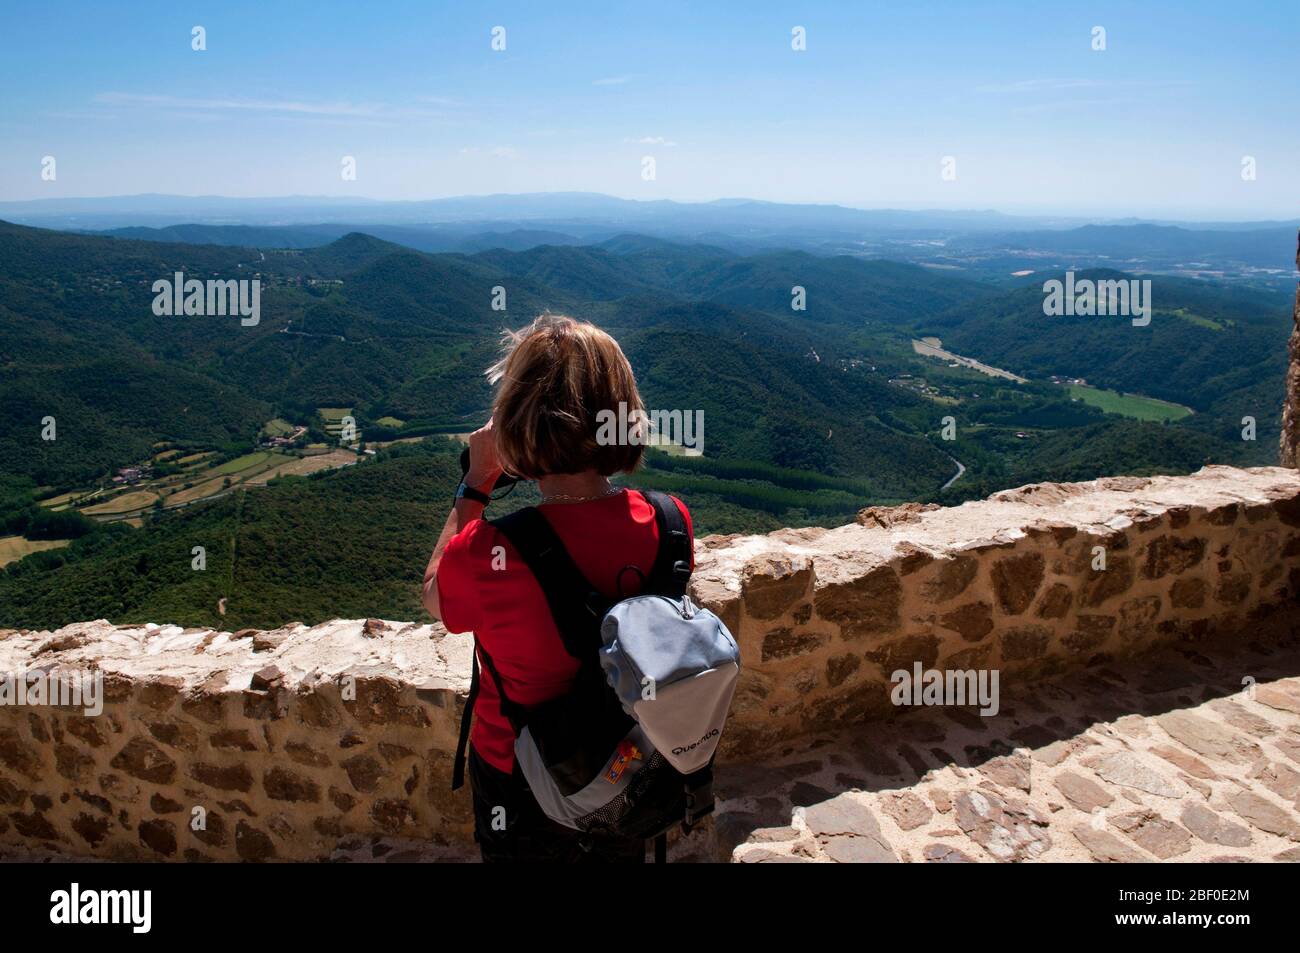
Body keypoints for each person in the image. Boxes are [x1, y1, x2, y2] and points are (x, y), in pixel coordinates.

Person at [421, 313, 693, 862]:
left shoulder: (491, 551)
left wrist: (474, 485)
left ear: (516, 419)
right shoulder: (671, 522)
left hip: (521, 772)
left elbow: (436, 595)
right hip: (631, 760)